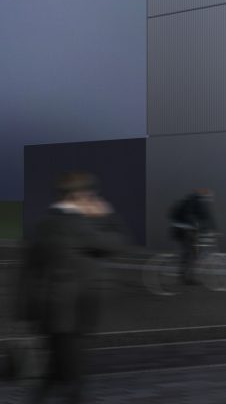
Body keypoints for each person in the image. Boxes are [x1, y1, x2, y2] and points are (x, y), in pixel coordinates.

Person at [19, 171, 124, 402]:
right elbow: (115, 245)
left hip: (50, 311)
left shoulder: (43, 224)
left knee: (56, 370)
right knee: (73, 377)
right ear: (80, 195)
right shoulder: (78, 225)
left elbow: (29, 270)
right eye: (91, 194)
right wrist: (106, 217)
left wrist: (26, 314)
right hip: (75, 312)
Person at [170, 188, 217, 283]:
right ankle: (186, 277)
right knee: (190, 254)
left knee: (191, 253)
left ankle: (186, 276)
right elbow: (192, 215)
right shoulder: (194, 201)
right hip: (185, 230)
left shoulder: (198, 202)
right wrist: (195, 225)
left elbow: (207, 217)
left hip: (186, 230)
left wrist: (213, 229)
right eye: (209, 196)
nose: (210, 198)